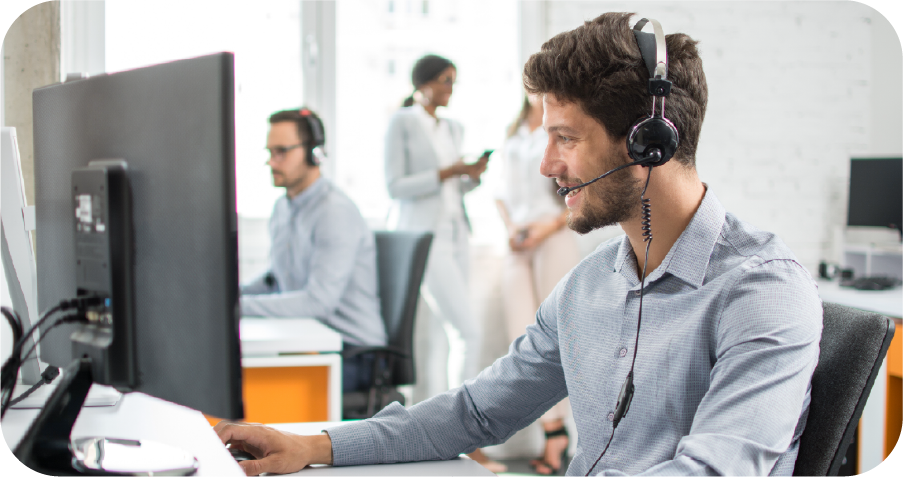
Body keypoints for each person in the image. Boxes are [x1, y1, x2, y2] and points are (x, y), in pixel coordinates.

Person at [216, 13, 822, 477]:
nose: (547, 165)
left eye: (565, 138)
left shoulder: (761, 291)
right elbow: (475, 413)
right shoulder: (589, 288)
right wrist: (315, 445)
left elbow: (712, 471)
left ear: (647, 144)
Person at [380, 54, 503, 472]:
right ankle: (464, 435)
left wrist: (471, 175)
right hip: (424, 238)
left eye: (454, 81)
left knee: (442, 338)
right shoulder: (403, 122)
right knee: (466, 330)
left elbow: (456, 189)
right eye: (445, 81)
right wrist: (449, 170)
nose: (450, 88)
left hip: (456, 235)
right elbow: (396, 186)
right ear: (424, 83)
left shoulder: (453, 126)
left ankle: (432, 434)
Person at [240, 108, 387, 394]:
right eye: (270, 152)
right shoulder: (283, 207)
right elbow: (276, 279)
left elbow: (318, 302)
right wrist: (231, 295)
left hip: (353, 354)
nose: (272, 161)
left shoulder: (334, 212)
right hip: (310, 342)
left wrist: (236, 309)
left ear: (314, 154)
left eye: (282, 151)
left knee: (255, 392)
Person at [496, 93, 582, 475]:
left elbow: (580, 187)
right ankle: (552, 429)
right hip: (519, 239)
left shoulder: (563, 131)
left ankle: (558, 435)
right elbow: (500, 192)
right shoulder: (513, 131)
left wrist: (544, 228)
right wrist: (513, 229)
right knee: (524, 337)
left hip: (553, 234)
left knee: (559, 335)